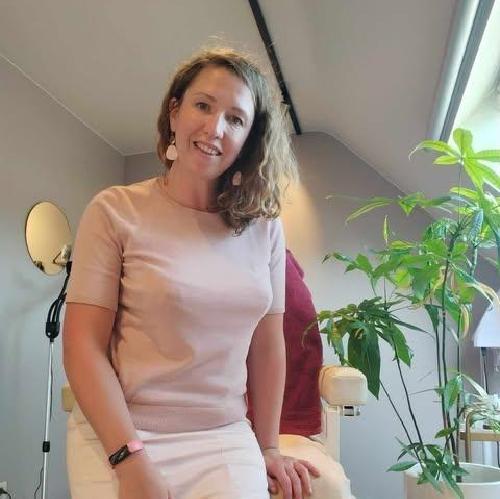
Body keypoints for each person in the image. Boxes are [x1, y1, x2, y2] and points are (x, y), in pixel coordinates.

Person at [63, 46, 320, 499]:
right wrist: (131, 461)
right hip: (122, 432)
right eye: (203, 105)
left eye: (235, 119)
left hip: (223, 435)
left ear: (249, 139)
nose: (215, 128)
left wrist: (268, 446)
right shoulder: (114, 211)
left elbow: (267, 345)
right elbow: (82, 346)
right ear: (175, 111)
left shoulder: (265, 228)